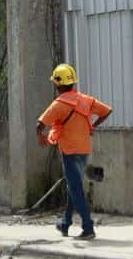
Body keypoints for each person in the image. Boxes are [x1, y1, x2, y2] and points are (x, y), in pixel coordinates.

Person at [36, 63, 112, 240]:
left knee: (76, 189)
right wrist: (93, 125)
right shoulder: (85, 99)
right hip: (84, 150)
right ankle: (65, 224)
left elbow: (39, 125)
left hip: (69, 152)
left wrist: (40, 136)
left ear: (58, 84)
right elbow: (107, 111)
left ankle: (88, 227)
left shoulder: (58, 104)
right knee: (74, 186)